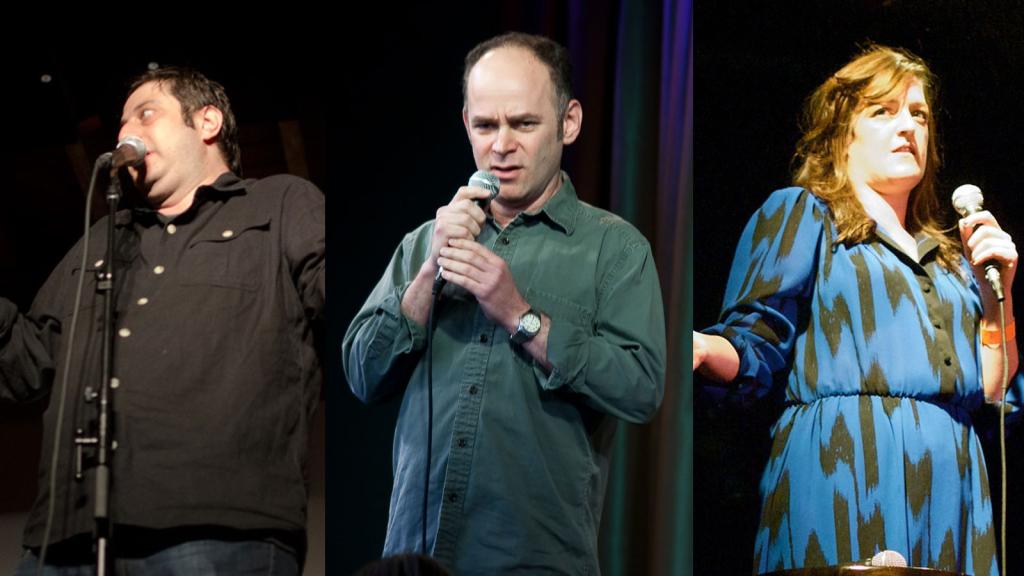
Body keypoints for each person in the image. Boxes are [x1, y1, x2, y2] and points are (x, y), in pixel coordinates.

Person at [343, 32, 665, 573]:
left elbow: (640, 388)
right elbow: (362, 374)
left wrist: (520, 315)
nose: (501, 145)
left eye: (523, 123)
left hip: (531, 557)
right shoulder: (426, 241)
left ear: (569, 123)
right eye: (486, 125)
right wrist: (429, 275)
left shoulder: (614, 247)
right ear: (466, 123)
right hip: (415, 554)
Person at [694, 45, 1021, 574]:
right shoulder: (805, 215)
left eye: (919, 115)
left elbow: (993, 396)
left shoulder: (955, 261)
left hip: (952, 486)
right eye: (883, 111)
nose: (908, 127)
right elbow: (755, 344)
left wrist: (996, 305)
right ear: (842, 133)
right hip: (844, 470)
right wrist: (705, 347)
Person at [1, 67, 325, 574]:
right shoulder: (105, 237)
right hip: (65, 537)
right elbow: (24, 365)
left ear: (208, 121)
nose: (126, 132)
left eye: (146, 114)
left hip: (215, 528)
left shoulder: (280, 203)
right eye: (122, 123)